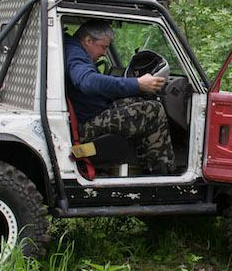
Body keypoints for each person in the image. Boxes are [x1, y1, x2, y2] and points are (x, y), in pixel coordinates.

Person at [64, 20, 175, 175]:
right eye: (103, 47)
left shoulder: (71, 48)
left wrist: (135, 87)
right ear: (88, 41)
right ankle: (162, 173)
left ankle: (143, 164)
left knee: (140, 101)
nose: (104, 53)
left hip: (87, 113)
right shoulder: (76, 55)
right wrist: (137, 83)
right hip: (84, 126)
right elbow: (88, 82)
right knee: (153, 110)